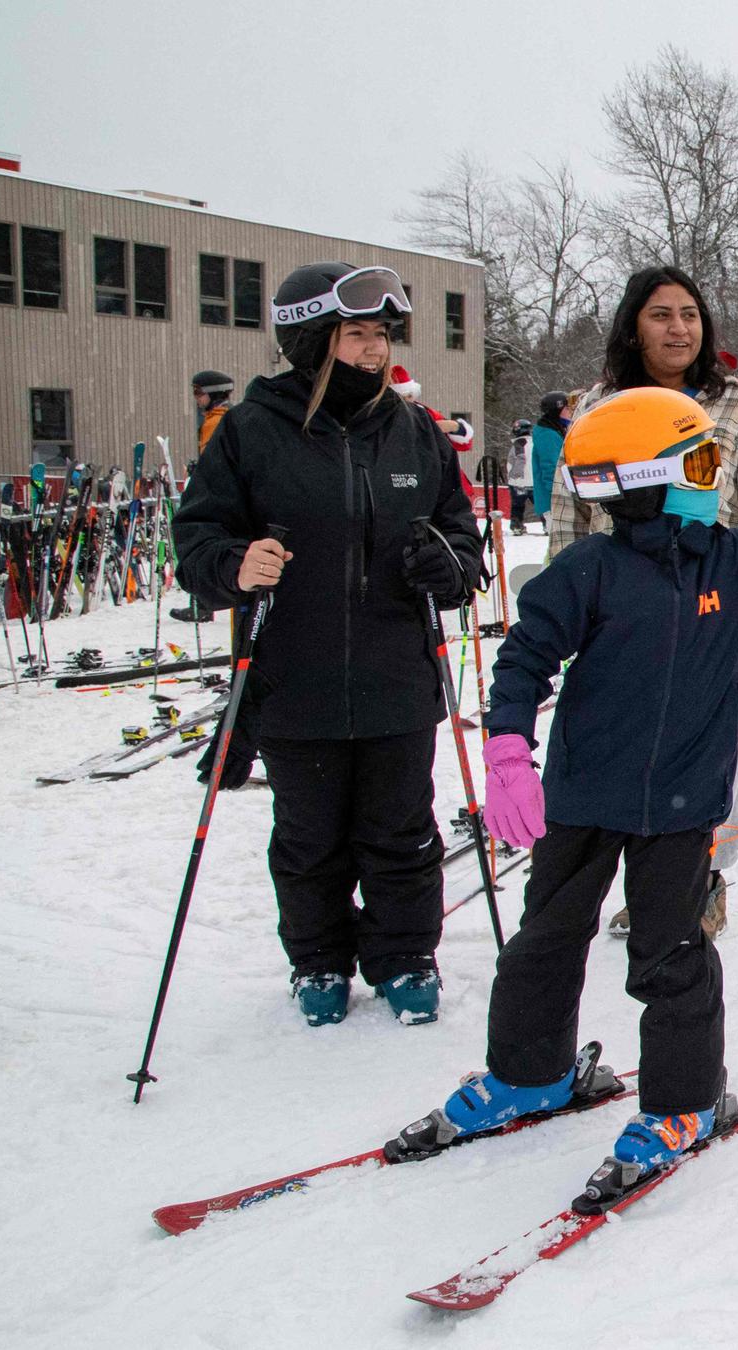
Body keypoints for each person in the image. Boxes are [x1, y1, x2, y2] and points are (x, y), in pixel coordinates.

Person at [386, 356, 738, 1208]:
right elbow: (522, 664)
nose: (717, 477)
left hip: (680, 810)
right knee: (544, 943)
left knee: (670, 956)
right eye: (702, 464)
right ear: (652, 481)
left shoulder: (735, 563)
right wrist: (510, 752)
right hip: (585, 795)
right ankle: (530, 1074)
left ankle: (685, 1103)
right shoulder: (587, 571)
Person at [172, 262, 484, 1027]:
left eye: (381, 336)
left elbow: (461, 541)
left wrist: (447, 563)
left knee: (402, 832)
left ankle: (406, 954)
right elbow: (196, 538)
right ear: (312, 340)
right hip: (292, 677)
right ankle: (316, 960)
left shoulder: (414, 431)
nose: (375, 351)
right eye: (356, 336)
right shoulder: (252, 430)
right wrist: (233, 564)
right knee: (309, 839)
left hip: (396, 678)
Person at [544, 267, 738, 940]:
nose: (679, 327)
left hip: (711, 617)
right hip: (614, 618)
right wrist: (560, 613)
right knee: (613, 749)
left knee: (708, 760)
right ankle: (611, 874)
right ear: (633, 326)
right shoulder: (598, 406)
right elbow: (570, 517)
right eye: (661, 315)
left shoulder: (737, 407)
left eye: (689, 314)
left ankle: (699, 879)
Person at [169, 372, 236, 624]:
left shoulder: (215, 422)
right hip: (228, 492)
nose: (197, 399)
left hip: (218, 494)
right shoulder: (229, 417)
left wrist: (201, 472)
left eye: (199, 393)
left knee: (204, 540)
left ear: (214, 393)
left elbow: (216, 459)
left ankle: (202, 604)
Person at [530, 392, 570, 518]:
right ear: (556, 410)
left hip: (558, 496)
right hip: (554, 500)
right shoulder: (547, 434)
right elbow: (551, 468)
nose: (570, 412)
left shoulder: (557, 429)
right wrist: (559, 494)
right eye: (566, 409)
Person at [506, 418, 535, 534]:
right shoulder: (534, 442)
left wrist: (515, 475)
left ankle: (516, 525)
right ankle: (547, 524)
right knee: (540, 505)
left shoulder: (519, 443)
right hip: (534, 481)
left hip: (519, 481)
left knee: (517, 505)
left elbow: (520, 459)